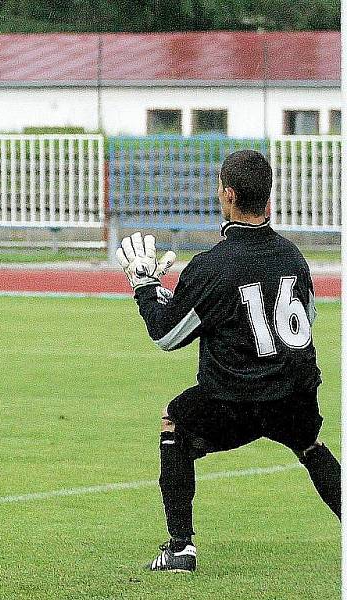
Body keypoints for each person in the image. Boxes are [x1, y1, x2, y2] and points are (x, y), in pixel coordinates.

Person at [115, 149, 340, 573]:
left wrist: (145, 287)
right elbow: (305, 319)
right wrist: (174, 299)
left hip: (237, 398)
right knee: (311, 447)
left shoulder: (213, 265)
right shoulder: (293, 255)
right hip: (296, 391)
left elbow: (167, 335)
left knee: (174, 422)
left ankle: (180, 548)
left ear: (229, 195)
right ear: (268, 200)